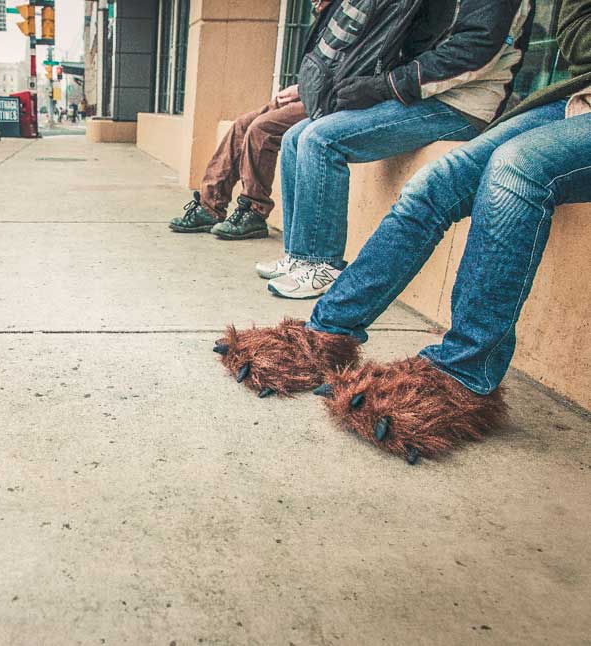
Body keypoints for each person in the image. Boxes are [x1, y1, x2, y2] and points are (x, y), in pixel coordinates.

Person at [217, 0, 591, 465]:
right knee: (435, 181)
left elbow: (475, 45)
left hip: (466, 99)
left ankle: (464, 374)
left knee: (517, 169)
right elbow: (576, 37)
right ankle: (328, 332)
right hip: (575, 101)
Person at [262, 0, 535, 298]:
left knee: (321, 139)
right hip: (420, 98)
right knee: (295, 136)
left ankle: (322, 265)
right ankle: (299, 255)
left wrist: (386, 85)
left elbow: (473, 53)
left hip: (463, 106)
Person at [169, 0, 338, 241]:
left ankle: (254, 212)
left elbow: (350, 70)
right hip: (312, 93)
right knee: (242, 125)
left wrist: (301, 90)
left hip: (330, 100)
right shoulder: (326, 15)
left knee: (262, 129)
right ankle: (210, 205)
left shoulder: (351, 14)